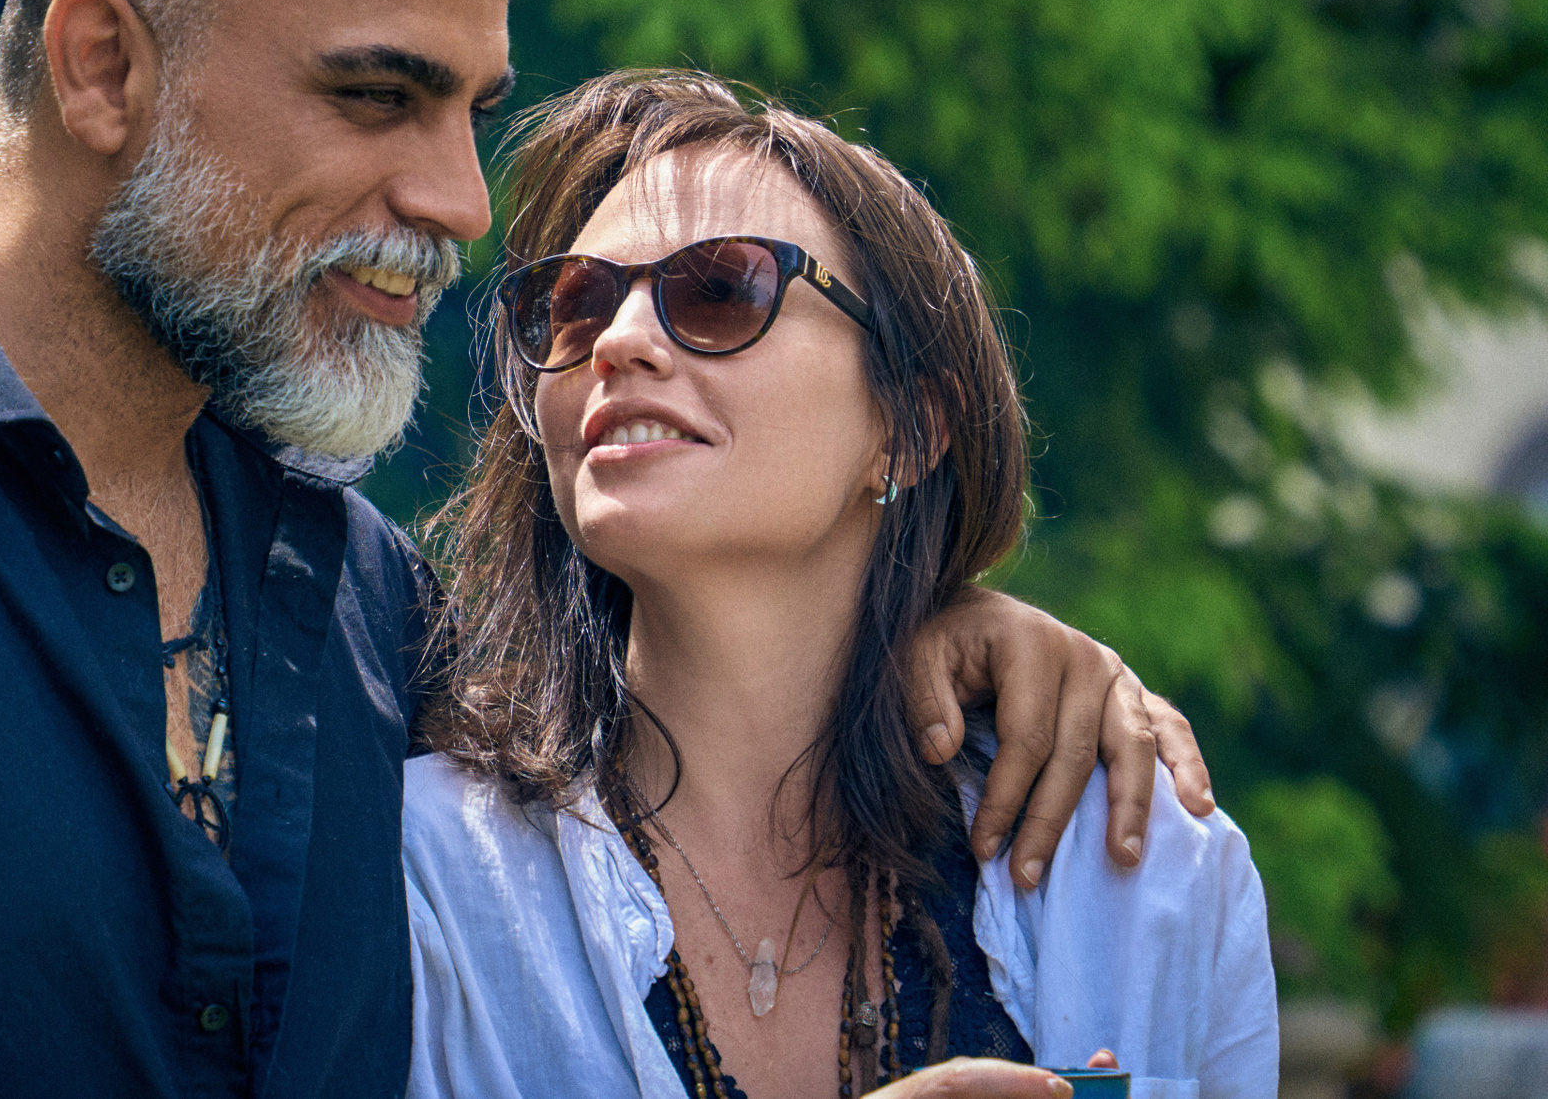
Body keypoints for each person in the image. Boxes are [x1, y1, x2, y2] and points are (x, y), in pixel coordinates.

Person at [0, 0, 1215, 1099]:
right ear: (102, 66)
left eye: (471, 111)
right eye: (378, 96)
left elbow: (690, 701)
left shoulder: (356, 593)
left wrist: (944, 615)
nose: (459, 200)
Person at [404, 73, 1279, 1099]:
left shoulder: (1142, 867)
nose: (619, 341)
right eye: (575, 306)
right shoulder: (422, 874)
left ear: (907, 430)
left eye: (720, 289)